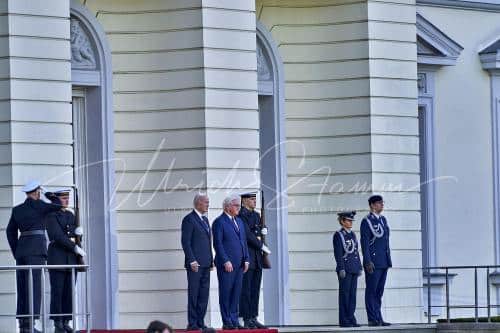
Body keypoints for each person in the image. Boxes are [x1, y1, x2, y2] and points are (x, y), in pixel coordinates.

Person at [6, 180, 62, 333]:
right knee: (34, 288)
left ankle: (23, 326)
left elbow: (9, 232)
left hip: (22, 252)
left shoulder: (17, 209)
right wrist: (47, 193)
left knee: (23, 287)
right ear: (37, 192)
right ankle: (31, 325)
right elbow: (58, 204)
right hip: (36, 251)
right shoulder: (40, 205)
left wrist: (16, 250)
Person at [45, 189, 86, 333]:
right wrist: (74, 247)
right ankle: (58, 323)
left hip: (71, 259)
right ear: (56, 200)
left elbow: (74, 235)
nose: (66, 200)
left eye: (67, 198)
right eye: (63, 198)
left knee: (69, 292)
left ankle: (67, 321)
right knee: (58, 292)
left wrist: (79, 234)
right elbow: (57, 236)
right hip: (57, 257)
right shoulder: (51, 215)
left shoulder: (70, 215)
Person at [212, 194, 249, 330]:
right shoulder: (219, 222)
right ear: (228, 207)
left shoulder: (239, 221)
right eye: (236, 205)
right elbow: (218, 244)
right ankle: (227, 321)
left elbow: (243, 241)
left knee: (236, 293)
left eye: (239, 205)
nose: (239, 208)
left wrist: (246, 259)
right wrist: (225, 260)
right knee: (226, 292)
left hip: (239, 265)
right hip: (227, 265)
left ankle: (234, 320)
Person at [181, 194, 213, 331]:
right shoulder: (189, 219)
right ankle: (192, 323)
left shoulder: (205, 220)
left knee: (203, 295)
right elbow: (185, 242)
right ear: (198, 203)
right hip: (195, 265)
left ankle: (200, 321)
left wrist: (211, 260)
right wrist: (191, 260)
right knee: (194, 294)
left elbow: (207, 242)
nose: (208, 205)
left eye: (208, 202)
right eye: (206, 202)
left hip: (206, 264)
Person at [238, 192, 270, 329]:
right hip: (248, 256)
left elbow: (258, 231)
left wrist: (264, 231)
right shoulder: (241, 216)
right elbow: (248, 235)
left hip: (257, 258)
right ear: (244, 201)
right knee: (246, 289)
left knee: (255, 289)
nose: (254, 202)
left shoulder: (257, 215)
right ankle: (246, 318)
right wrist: (261, 245)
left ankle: (253, 317)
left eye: (255, 200)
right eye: (251, 199)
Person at [360, 195, 392, 326]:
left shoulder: (383, 220)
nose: (381, 205)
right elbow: (365, 242)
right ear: (372, 205)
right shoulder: (367, 221)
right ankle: (372, 318)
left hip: (383, 260)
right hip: (373, 261)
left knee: (379, 291)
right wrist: (367, 261)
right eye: (379, 203)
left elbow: (385, 241)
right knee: (372, 290)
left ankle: (379, 317)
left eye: (382, 202)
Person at [332, 211, 362, 328]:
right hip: (345, 268)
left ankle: (351, 318)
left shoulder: (352, 234)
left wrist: (359, 266)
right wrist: (341, 268)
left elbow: (356, 252)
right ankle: (344, 320)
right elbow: (338, 253)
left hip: (353, 267)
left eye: (351, 221)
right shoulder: (338, 235)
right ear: (342, 221)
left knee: (352, 295)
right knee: (345, 294)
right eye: (348, 220)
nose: (350, 223)